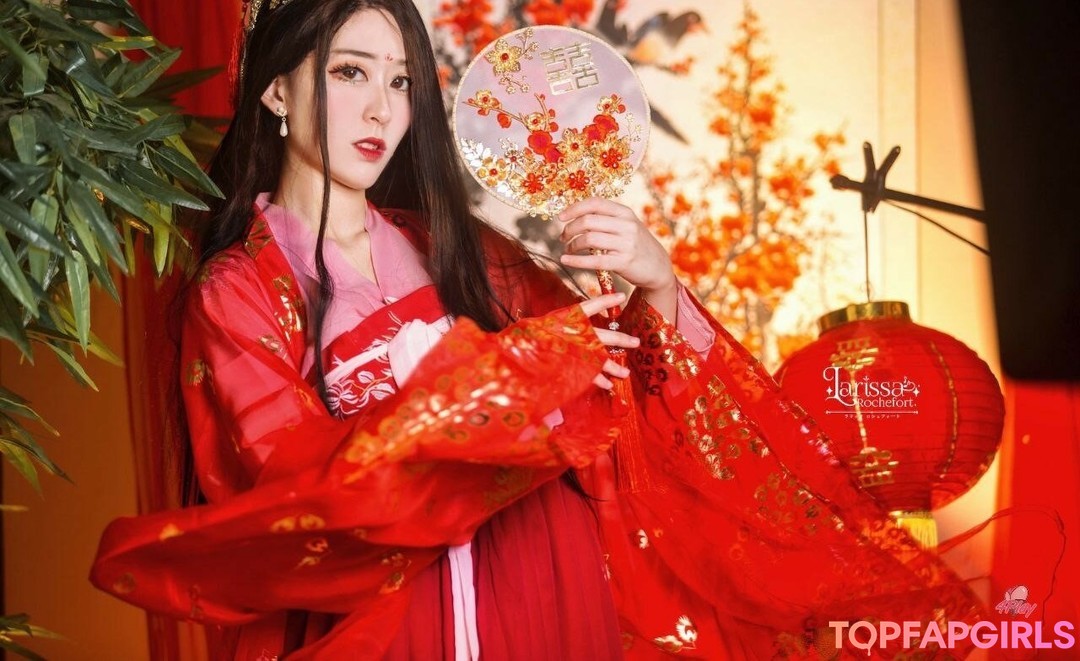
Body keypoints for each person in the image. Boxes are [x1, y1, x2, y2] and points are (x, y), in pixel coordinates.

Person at [92, 1, 987, 658]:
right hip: (390, 616)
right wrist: (498, 385)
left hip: (544, 576)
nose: (382, 109)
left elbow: (625, 407)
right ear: (277, 90)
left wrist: (651, 282)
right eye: (349, 72)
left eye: (401, 81)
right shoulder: (241, 290)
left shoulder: (460, 252)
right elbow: (292, 481)